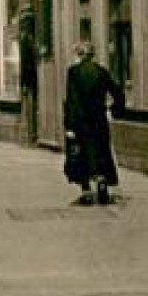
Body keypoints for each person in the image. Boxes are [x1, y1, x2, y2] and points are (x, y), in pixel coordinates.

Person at [62, 41, 124, 205]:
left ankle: (86, 191)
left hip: (81, 122)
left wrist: (69, 125)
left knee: (81, 155)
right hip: (99, 120)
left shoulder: (73, 73)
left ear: (79, 55)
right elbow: (117, 92)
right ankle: (102, 182)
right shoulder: (101, 72)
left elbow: (72, 101)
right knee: (101, 152)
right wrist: (113, 110)